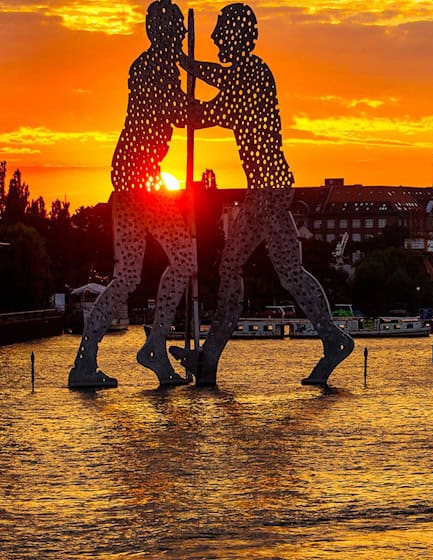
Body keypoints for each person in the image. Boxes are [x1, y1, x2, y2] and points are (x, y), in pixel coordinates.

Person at [172, 3, 354, 385]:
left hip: (268, 191)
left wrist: (181, 99)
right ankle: (331, 339)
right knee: (286, 271)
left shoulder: (253, 75)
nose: (216, 37)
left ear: (237, 36)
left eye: (221, 31)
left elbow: (210, 111)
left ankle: (210, 359)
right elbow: (218, 78)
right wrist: (187, 64)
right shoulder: (244, 73)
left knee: (236, 267)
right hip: (267, 189)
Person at [69, 0, 193, 388]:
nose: (183, 39)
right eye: (178, 33)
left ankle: (86, 363)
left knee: (125, 277)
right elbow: (182, 113)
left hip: (133, 179)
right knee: (185, 260)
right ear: (162, 33)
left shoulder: (151, 65)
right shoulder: (154, 67)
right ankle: (153, 346)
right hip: (139, 182)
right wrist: (226, 107)